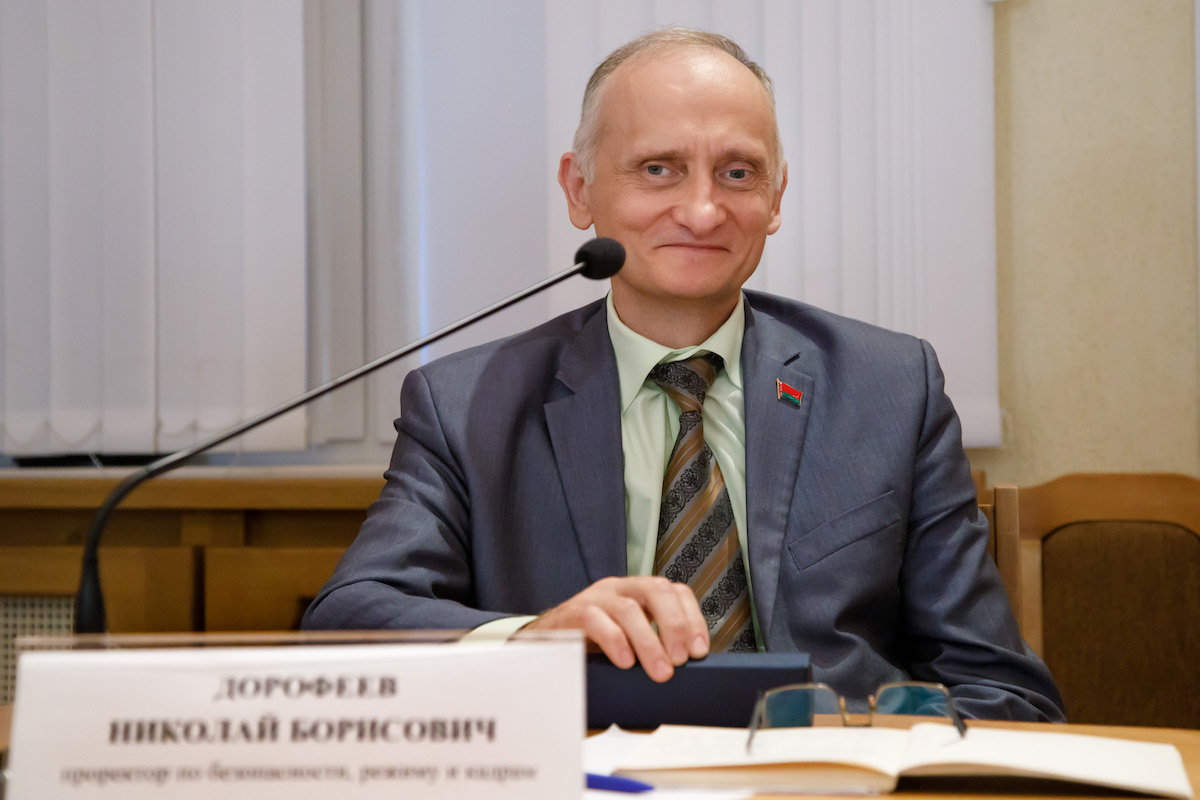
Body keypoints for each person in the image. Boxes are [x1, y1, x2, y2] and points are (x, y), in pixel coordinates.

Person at [303, 27, 1065, 722]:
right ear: (579, 189)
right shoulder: (466, 404)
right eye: (658, 169)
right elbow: (348, 621)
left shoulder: (891, 390)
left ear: (775, 198)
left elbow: (1004, 691)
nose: (702, 211)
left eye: (737, 172)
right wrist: (534, 640)